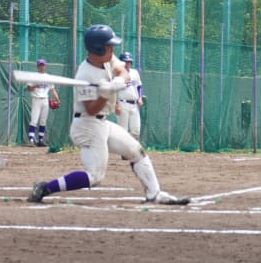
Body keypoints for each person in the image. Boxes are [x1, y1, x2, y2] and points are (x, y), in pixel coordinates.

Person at [28, 25, 188, 206]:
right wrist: (104, 94)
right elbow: (92, 109)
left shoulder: (107, 58)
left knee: (136, 151)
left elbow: (123, 72)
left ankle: (154, 194)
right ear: (98, 48)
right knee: (95, 176)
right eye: (108, 46)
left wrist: (117, 81)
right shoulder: (85, 75)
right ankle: (45, 188)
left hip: (102, 124)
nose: (112, 49)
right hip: (86, 126)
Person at [25, 58, 60, 147]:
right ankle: (31, 140)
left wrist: (57, 99)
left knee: (43, 121)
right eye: (40, 65)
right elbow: (29, 89)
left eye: (43, 65)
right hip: (36, 99)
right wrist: (36, 85)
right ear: (37, 66)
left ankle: (40, 140)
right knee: (34, 120)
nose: (41, 66)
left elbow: (52, 89)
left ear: (45, 66)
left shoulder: (48, 77)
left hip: (45, 100)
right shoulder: (33, 76)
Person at [114, 51, 144, 139]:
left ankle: (132, 151)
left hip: (134, 105)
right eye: (125, 62)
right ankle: (124, 152)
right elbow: (113, 90)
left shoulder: (134, 72)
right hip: (122, 104)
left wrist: (140, 98)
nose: (127, 64)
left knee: (136, 130)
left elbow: (139, 86)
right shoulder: (116, 74)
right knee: (123, 130)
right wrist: (116, 105)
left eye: (129, 61)